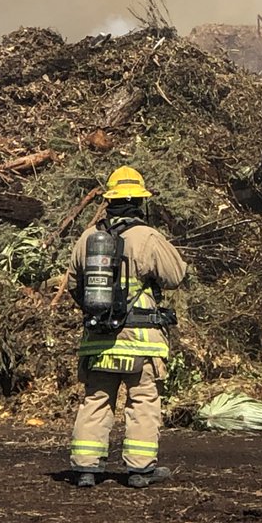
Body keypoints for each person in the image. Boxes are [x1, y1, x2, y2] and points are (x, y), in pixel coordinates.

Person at [67, 166, 187, 489]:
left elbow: (73, 286)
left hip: (98, 341)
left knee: (96, 399)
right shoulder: (147, 237)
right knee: (143, 401)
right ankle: (139, 470)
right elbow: (176, 275)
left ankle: (86, 469)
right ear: (138, 202)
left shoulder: (88, 239)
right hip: (141, 341)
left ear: (109, 202)